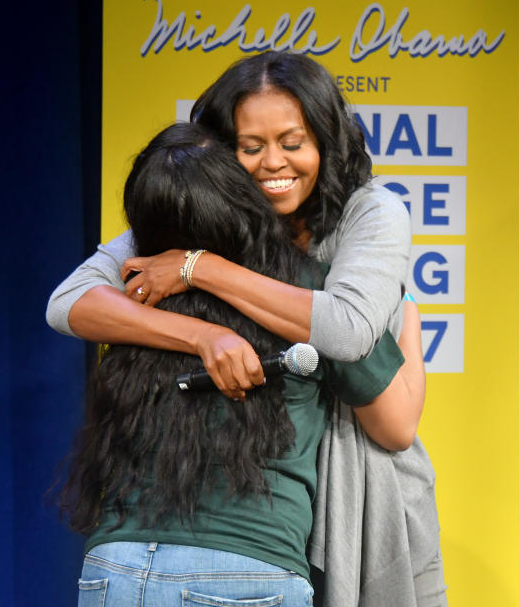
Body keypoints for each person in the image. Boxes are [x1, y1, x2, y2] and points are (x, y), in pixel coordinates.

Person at [48, 52, 447, 606]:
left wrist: (199, 268)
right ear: (220, 154)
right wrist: (203, 336)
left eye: (292, 142)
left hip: (114, 567)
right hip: (248, 567)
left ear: (327, 143)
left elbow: (350, 329)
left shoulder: (356, 228)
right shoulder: (190, 247)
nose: (272, 163)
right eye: (250, 147)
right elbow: (67, 302)